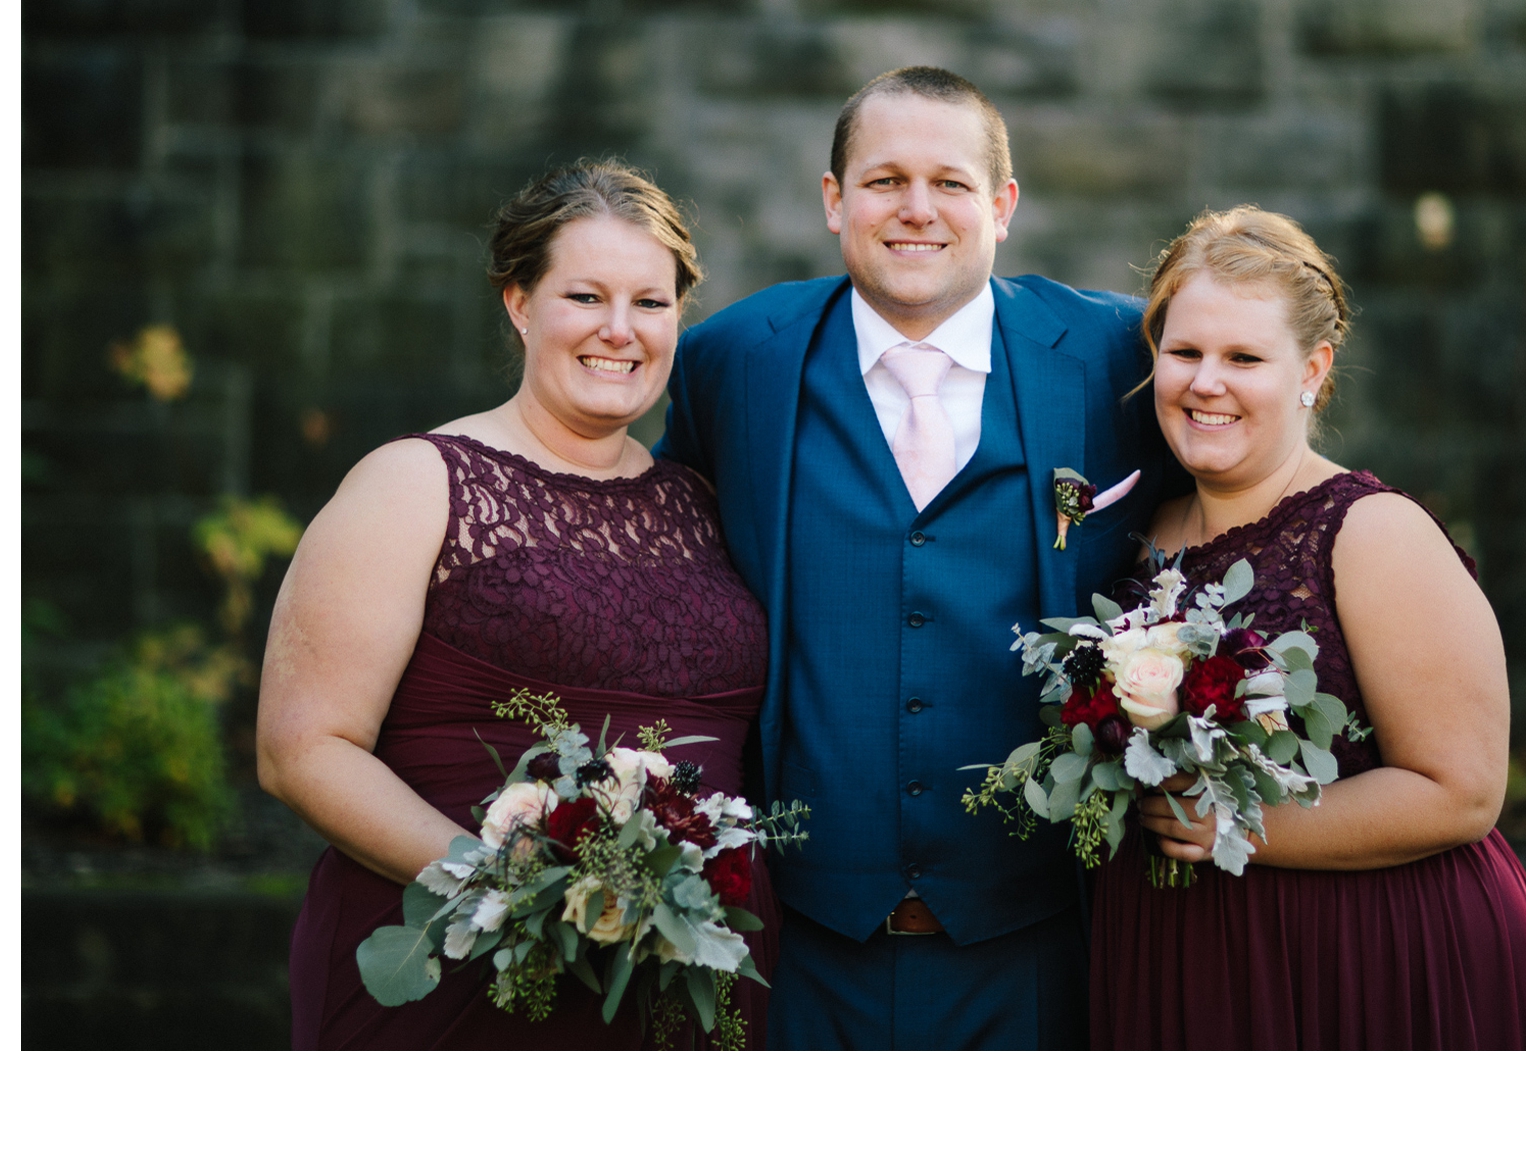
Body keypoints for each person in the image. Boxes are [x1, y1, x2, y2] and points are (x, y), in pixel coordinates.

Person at [654, 67, 1173, 1049]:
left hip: (1039, 942)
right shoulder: (732, 360)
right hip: (795, 944)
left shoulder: (1119, 357)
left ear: (1003, 205)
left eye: (951, 182)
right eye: (885, 180)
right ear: (833, 200)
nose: (916, 210)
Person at [257, 160, 778, 1049]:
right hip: (463, 975)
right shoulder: (417, 483)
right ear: (520, 303)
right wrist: (522, 884)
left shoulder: (707, 503)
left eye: (651, 304)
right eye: (585, 296)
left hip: (683, 988)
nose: (621, 331)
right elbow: (302, 751)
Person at [1091, 205, 1526, 1049]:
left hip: (1366, 951)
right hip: (1188, 951)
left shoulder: (1372, 532)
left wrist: (1233, 825)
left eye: (1244, 358)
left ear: (1312, 369)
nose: (1206, 382)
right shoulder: (1140, 533)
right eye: (1185, 351)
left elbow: (1463, 790)